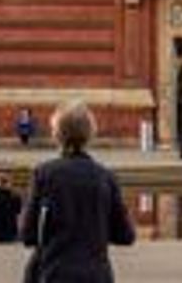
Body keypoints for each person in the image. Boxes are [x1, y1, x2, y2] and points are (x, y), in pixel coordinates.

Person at [21, 100, 135, 283]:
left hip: (55, 274)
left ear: (57, 135)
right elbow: (125, 236)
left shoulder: (44, 174)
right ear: (91, 134)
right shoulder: (105, 176)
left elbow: (28, 235)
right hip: (96, 277)